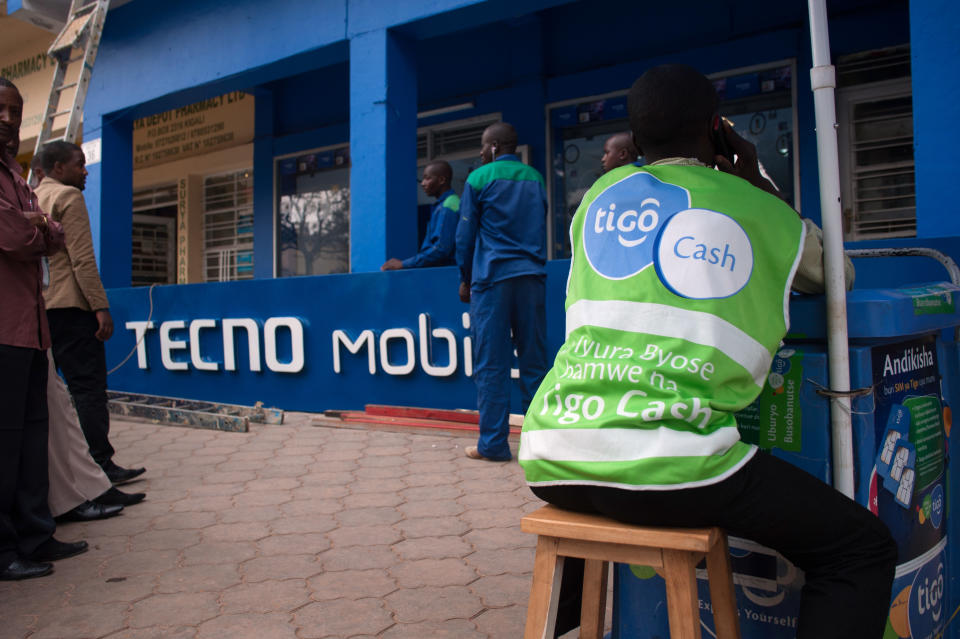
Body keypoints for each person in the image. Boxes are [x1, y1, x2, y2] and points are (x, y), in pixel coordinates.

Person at [519, 64, 895, 638]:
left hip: (553, 453)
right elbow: (836, 276)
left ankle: (566, 621)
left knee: (607, 497)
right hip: (677, 466)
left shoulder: (598, 197)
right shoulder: (759, 210)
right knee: (860, 550)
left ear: (635, 141)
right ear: (718, 129)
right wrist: (757, 184)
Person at [0, 77, 88, 580]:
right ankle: (4, 549)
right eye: (1, 109)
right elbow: (15, 235)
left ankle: (36, 534)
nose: (10, 120)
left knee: (34, 438)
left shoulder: (16, 177)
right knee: (4, 443)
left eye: (17, 111)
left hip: (32, 330)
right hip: (5, 332)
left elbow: (44, 232)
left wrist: (37, 224)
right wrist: (35, 226)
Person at [36, 140, 146, 485]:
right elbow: (82, 259)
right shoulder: (68, 197)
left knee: (54, 394)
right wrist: (100, 307)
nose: (85, 171)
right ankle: (100, 464)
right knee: (88, 389)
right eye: (79, 164)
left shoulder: (32, 198)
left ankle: (70, 469)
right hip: (72, 306)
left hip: (43, 308)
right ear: (58, 169)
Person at [455, 122, 548, 461]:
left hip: (492, 279)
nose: (480, 153)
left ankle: (494, 445)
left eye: (482, 146)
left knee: (492, 364)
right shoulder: (536, 178)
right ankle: (541, 446)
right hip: (532, 277)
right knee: (534, 362)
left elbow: (464, 238)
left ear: (494, 146)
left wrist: (465, 278)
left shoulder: (479, 178)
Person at [382, 160, 459, 270]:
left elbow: (441, 249)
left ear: (441, 180)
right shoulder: (445, 204)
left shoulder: (448, 206)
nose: (422, 183)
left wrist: (403, 264)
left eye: (427, 178)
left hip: (447, 274)